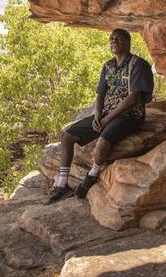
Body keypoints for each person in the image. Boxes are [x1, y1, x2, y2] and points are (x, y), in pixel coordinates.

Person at [45, 28, 154, 205]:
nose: (114, 41)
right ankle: (62, 184)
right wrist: (97, 116)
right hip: (106, 113)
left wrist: (106, 120)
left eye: (119, 39)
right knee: (67, 136)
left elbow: (133, 98)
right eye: (112, 39)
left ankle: (93, 174)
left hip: (130, 115)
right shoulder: (108, 66)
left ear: (128, 42)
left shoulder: (138, 64)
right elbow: (100, 95)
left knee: (103, 141)